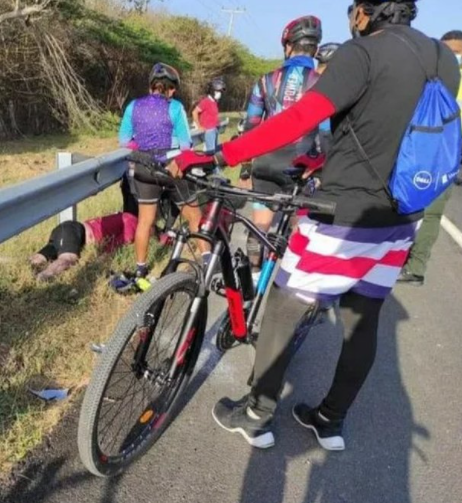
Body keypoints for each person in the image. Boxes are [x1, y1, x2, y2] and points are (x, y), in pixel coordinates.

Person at [170, 0, 460, 450]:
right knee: (362, 323)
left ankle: (256, 413)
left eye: (353, 10)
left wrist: (217, 156)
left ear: (366, 12)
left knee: (286, 308)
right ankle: (330, 420)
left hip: (342, 216)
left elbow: (298, 119)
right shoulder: (443, 59)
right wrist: (323, 159)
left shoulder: (362, 52)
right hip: (402, 220)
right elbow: (393, 130)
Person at [241, 16, 325, 271]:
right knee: (299, 233)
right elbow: (327, 133)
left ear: (288, 46)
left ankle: (252, 283)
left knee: (259, 228)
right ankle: (288, 285)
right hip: (302, 165)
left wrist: (245, 168)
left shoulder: (266, 80)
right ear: (316, 49)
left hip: (266, 161)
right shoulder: (323, 84)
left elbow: (251, 126)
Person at [116, 63, 208, 292]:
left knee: (145, 221)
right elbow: (186, 144)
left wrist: (145, 148)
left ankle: (140, 270)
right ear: (172, 89)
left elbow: (125, 140)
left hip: (144, 170)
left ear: (151, 86)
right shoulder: (175, 107)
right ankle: (207, 262)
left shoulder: (133, 106)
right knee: (194, 216)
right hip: (172, 168)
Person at [398, 29, 462, 285]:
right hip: (448, 156)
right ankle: (415, 265)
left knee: (410, 207)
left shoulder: (433, 74)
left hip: (427, 153)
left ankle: (409, 264)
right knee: (430, 213)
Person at [193, 77, 226, 154]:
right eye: (218, 91)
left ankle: (216, 166)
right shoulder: (206, 101)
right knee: (211, 153)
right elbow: (194, 112)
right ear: (212, 91)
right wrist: (199, 126)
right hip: (209, 131)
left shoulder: (214, 102)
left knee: (217, 152)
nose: (219, 93)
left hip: (215, 129)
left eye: (220, 92)